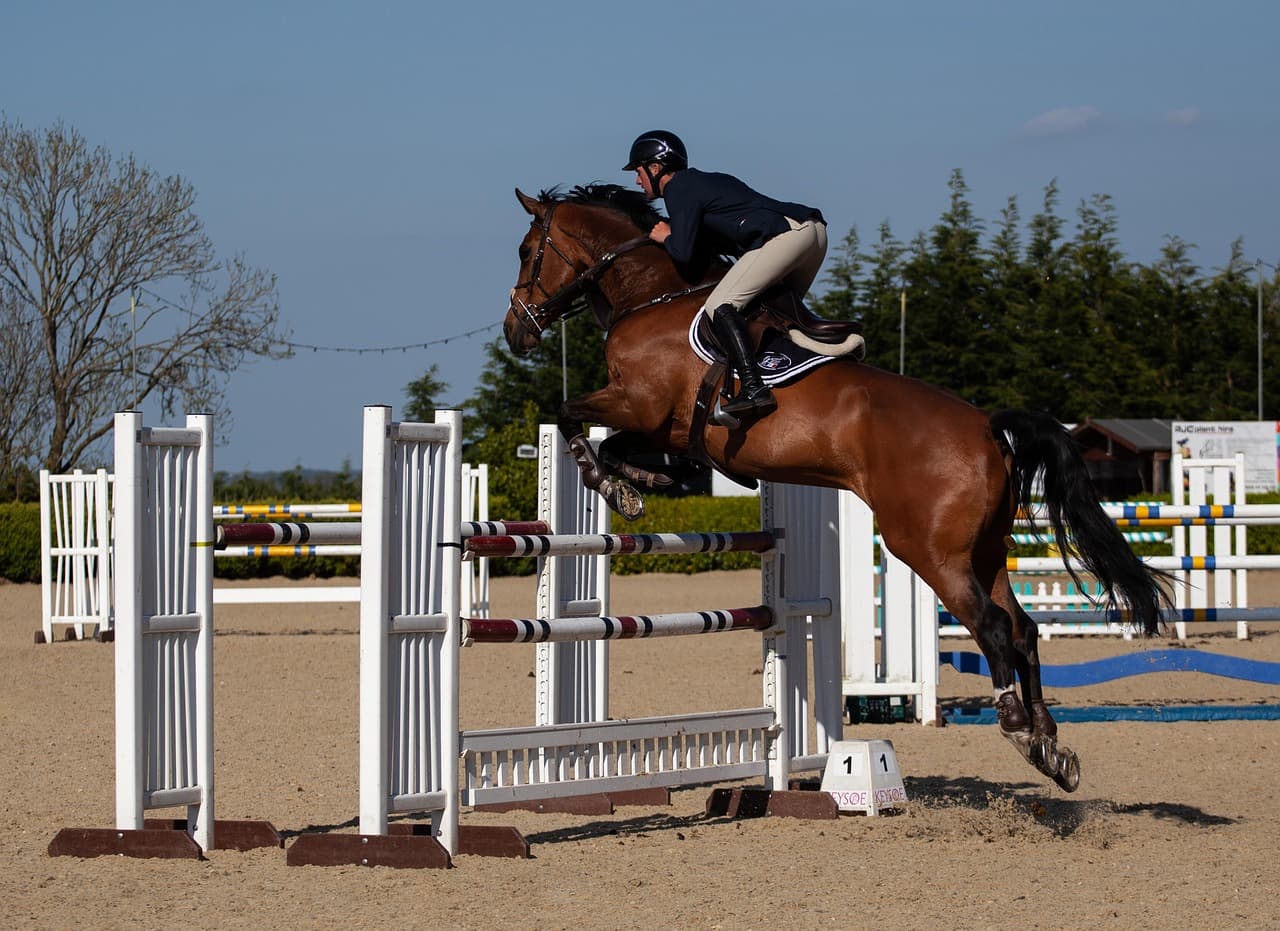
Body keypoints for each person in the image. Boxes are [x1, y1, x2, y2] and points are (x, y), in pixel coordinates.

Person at [623, 129, 827, 418]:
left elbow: (682, 252)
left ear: (655, 168)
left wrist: (665, 236)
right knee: (775, 315)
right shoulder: (706, 182)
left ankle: (754, 388)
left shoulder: (678, 188)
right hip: (813, 233)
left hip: (786, 237)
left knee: (720, 305)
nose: (637, 180)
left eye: (638, 172)